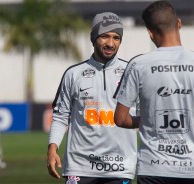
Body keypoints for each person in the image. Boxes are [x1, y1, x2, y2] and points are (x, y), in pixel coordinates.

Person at [114, 1, 194, 184]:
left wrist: (147, 119)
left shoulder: (137, 65)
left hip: (151, 168)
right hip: (189, 170)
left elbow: (120, 118)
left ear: (150, 33)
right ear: (179, 24)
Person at [46, 12, 138, 184]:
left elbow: (145, 116)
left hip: (120, 166)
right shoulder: (73, 74)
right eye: (104, 36)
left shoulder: (132, 72)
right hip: (80, 166)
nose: (111, 43)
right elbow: (60, 116)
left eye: (116, 38)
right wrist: (52, 149)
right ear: (94, 37)